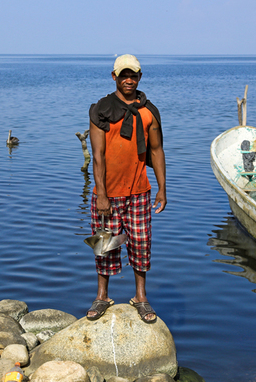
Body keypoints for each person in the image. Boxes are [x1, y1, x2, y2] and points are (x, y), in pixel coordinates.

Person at [86, 54, 167, 323]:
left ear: (140, 77)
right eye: (124, 75)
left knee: (141, 244)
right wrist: (101, 194)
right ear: (114, 77)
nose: (128, 80)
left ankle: (140, 297)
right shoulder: (102, 110)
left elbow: (156, 150)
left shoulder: (148, 111)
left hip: (139, 192)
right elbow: (98, 155)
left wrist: (161, 188)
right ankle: (102, 296)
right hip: (107, 193)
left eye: (133, 75)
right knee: (104, 244)